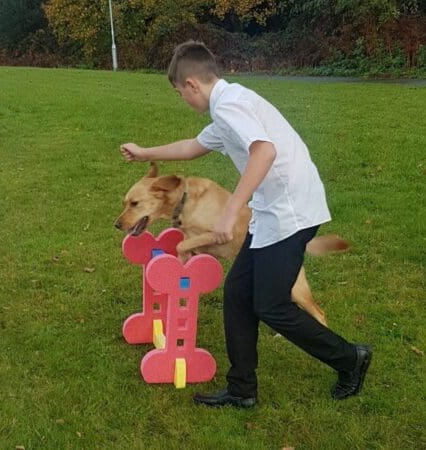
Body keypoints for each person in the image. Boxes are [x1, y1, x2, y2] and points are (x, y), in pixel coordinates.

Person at [120, 40, 372, 408]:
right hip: (272, 211)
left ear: (192, 84)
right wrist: (145, 152)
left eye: (179, 93)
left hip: (291, 212)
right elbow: (193, 147)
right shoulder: (226, 109)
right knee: (238, 296)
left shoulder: (231, 105)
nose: (183, 100)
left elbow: (264, 151)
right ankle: (242, 390)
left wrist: (230, 210)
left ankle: (351, 359)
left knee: (271, 306)